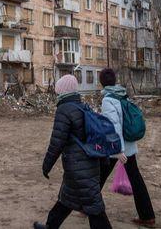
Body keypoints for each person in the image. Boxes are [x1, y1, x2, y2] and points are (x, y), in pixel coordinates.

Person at [33, 74, 112, 229]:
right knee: (66, 198)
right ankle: (50, 226)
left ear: (63, 91)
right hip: (88, 163)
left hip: (78, 167)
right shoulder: (82, 107)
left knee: (94, 207)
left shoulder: (64, 110)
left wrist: (46, 165)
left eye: (58, 90)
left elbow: (56, 142)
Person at [99, 68, 156, 228]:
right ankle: (147, 215)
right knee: (135, 178)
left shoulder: (108, 100)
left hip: (116, 148)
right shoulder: (122, 94)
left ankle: (86, 204)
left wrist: (118, 151)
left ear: (102, 82)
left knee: (99, 175)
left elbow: (114, 126)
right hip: (128, 146)